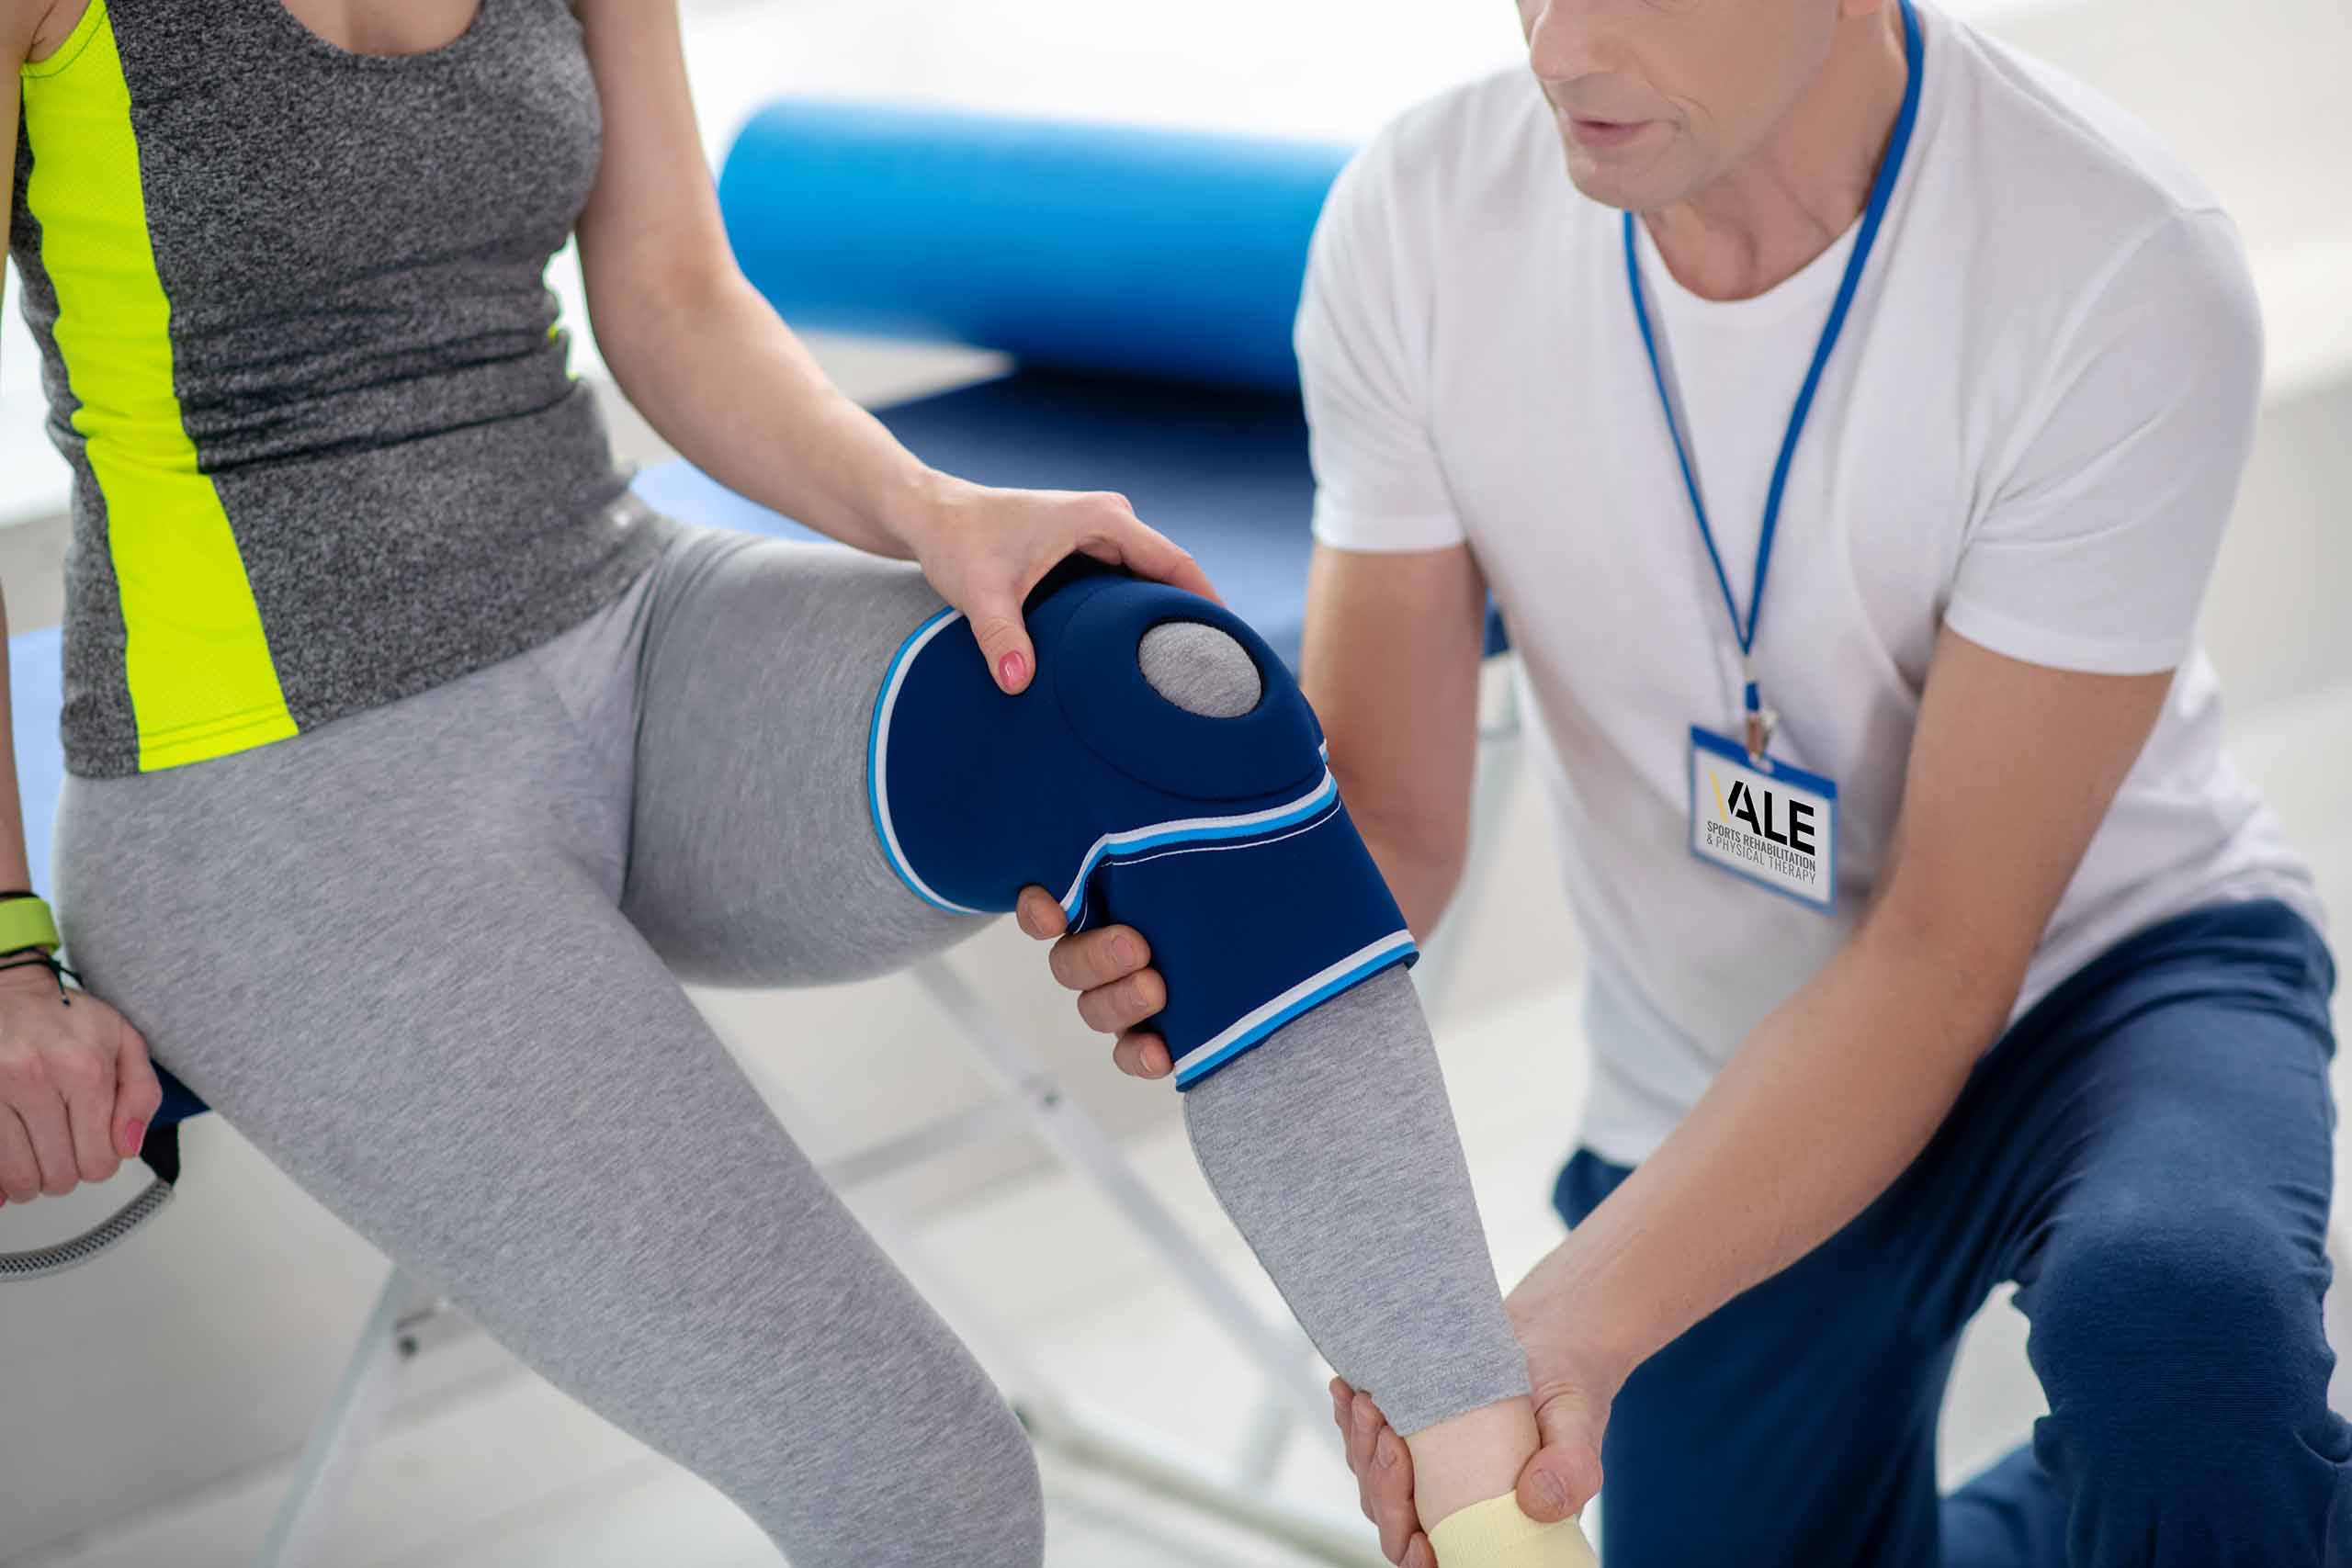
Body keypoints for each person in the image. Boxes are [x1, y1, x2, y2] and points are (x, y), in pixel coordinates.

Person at [0, 2, 1603, 1563]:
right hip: (270, 794)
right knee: (935, 1499)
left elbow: (675, 297)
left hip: (621, 625)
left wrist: (933, 512)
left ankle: (1491, 1523)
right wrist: (4, 945)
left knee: (1163, 695)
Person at [1051, 0, 2346, 1562]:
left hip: (2101, 986)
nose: (1561, 49)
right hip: (1712, 1078)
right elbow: (1386, 825)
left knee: (2185, 1345)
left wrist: (1571, 1324)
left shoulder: (2116, 261)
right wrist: (1219, 939)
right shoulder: (1420, 222)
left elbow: (1946, 951)